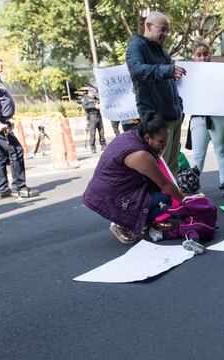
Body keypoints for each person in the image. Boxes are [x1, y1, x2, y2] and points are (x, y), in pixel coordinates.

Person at [82, 113, 185, 244]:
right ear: (147, 137)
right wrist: (186, 201)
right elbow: (165, 184)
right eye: (161, 141)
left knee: (156, 191)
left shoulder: (131, 135)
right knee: (164, 200)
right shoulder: (141, 155)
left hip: (105, 190)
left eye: (165, 141)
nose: (164, 146)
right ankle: (120, 224)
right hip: (107, 196)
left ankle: (145, 223)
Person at [126, 11, 184, 175]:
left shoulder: (160, 51)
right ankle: (162, 199)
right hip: (158, 118)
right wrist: (168, 70)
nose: (165, 34)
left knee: (172, 164)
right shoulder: (136, 47)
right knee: (161, 166)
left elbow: (170, 81)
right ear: (149, 26)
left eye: (167, 31)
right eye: (163, 30)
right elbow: (137, 71)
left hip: (173, 115)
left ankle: (172, 199)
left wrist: (179, 108)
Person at [187, 38, 224, 197]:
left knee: (221, 151)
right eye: (199, 55)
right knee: (198, 154)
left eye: (205, 54)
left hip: (219, 116)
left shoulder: (223, 72)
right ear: (193, 56)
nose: (203, 57)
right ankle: (191, 185)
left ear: (210, 54)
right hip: (198, 117)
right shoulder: (188, 74)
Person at [0, 51, 38, 200]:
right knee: (16, 151)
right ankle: (20, 188)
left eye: (1, 60)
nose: (1, 63)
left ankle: (3, 189)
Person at [81, 87, 107, 153]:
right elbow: (85, 106)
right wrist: (94, 106)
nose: (94, 94)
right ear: (89, 92)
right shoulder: (85, 98)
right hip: (91, 117)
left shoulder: (96, 98)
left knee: (101, 132)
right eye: (93, 93)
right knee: (92, 133)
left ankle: (103, 145)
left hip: (99, 116)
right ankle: (93, 147)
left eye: (95, 93)